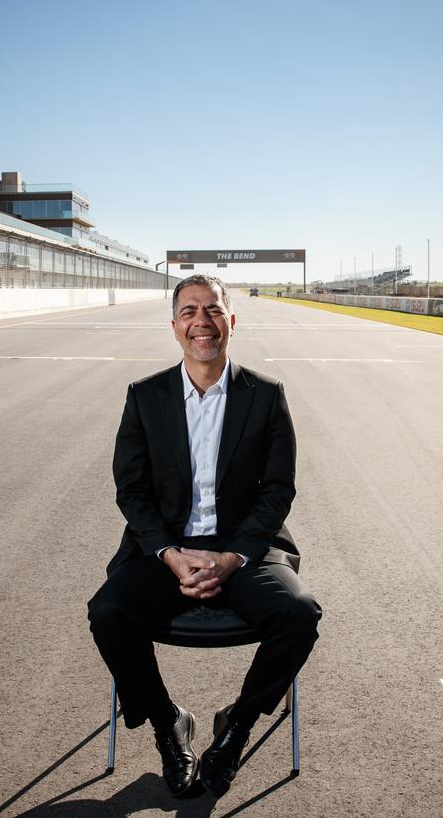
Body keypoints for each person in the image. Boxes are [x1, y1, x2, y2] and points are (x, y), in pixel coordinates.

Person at [88, 274, 321, 798]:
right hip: (164, 551)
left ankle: (235, 728)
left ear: (230, 322)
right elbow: (132, 489)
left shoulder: (265, 395)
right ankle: (167, 723)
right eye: (190, 311)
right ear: (175, 327)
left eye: (212, 310)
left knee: (299, 613)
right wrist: (171, 556)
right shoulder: (144, 397)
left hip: (245, 549)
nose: (202, 321)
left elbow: (277, 490)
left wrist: (233, 557)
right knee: (108, 612)